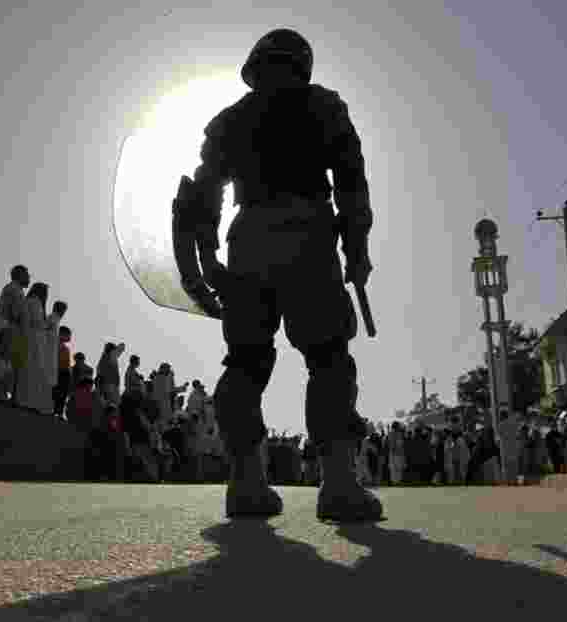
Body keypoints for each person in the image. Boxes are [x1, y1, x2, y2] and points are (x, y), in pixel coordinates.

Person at [182, 29, 377, 520]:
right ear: (302, 64)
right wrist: (357, 248)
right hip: (307, 231)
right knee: (328, 355)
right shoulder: (324, 105)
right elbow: (352, 182)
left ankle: (245, 481)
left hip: (247, 239)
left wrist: (205, 259)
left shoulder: (229, 120)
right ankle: (337, 483)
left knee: (245, 362)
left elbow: (202, 194)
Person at [0, 265, 30, 400]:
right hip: (7, 330)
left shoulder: (13, 288)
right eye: (27, 275)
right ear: (19, 275)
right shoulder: (15, 290)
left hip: (4, 328)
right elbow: (16, 314)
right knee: (4, 362)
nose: (29, 278)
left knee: (2, 362)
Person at [19, 282, 53, 414]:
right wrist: (46, 327)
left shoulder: (30, 302)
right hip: (33, 341)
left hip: (32, 340)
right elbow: (38, 322)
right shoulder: (35, 303)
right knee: (32, 373)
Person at [53, 325, 73, 418]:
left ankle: (60, 412)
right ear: (62, 334)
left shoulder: (65, 348)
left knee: (62, 394)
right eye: (68, 335)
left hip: (64, 373)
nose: (69, 338)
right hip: (58, 372)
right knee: (57, 393)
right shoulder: (54, 344)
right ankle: (55, 410)